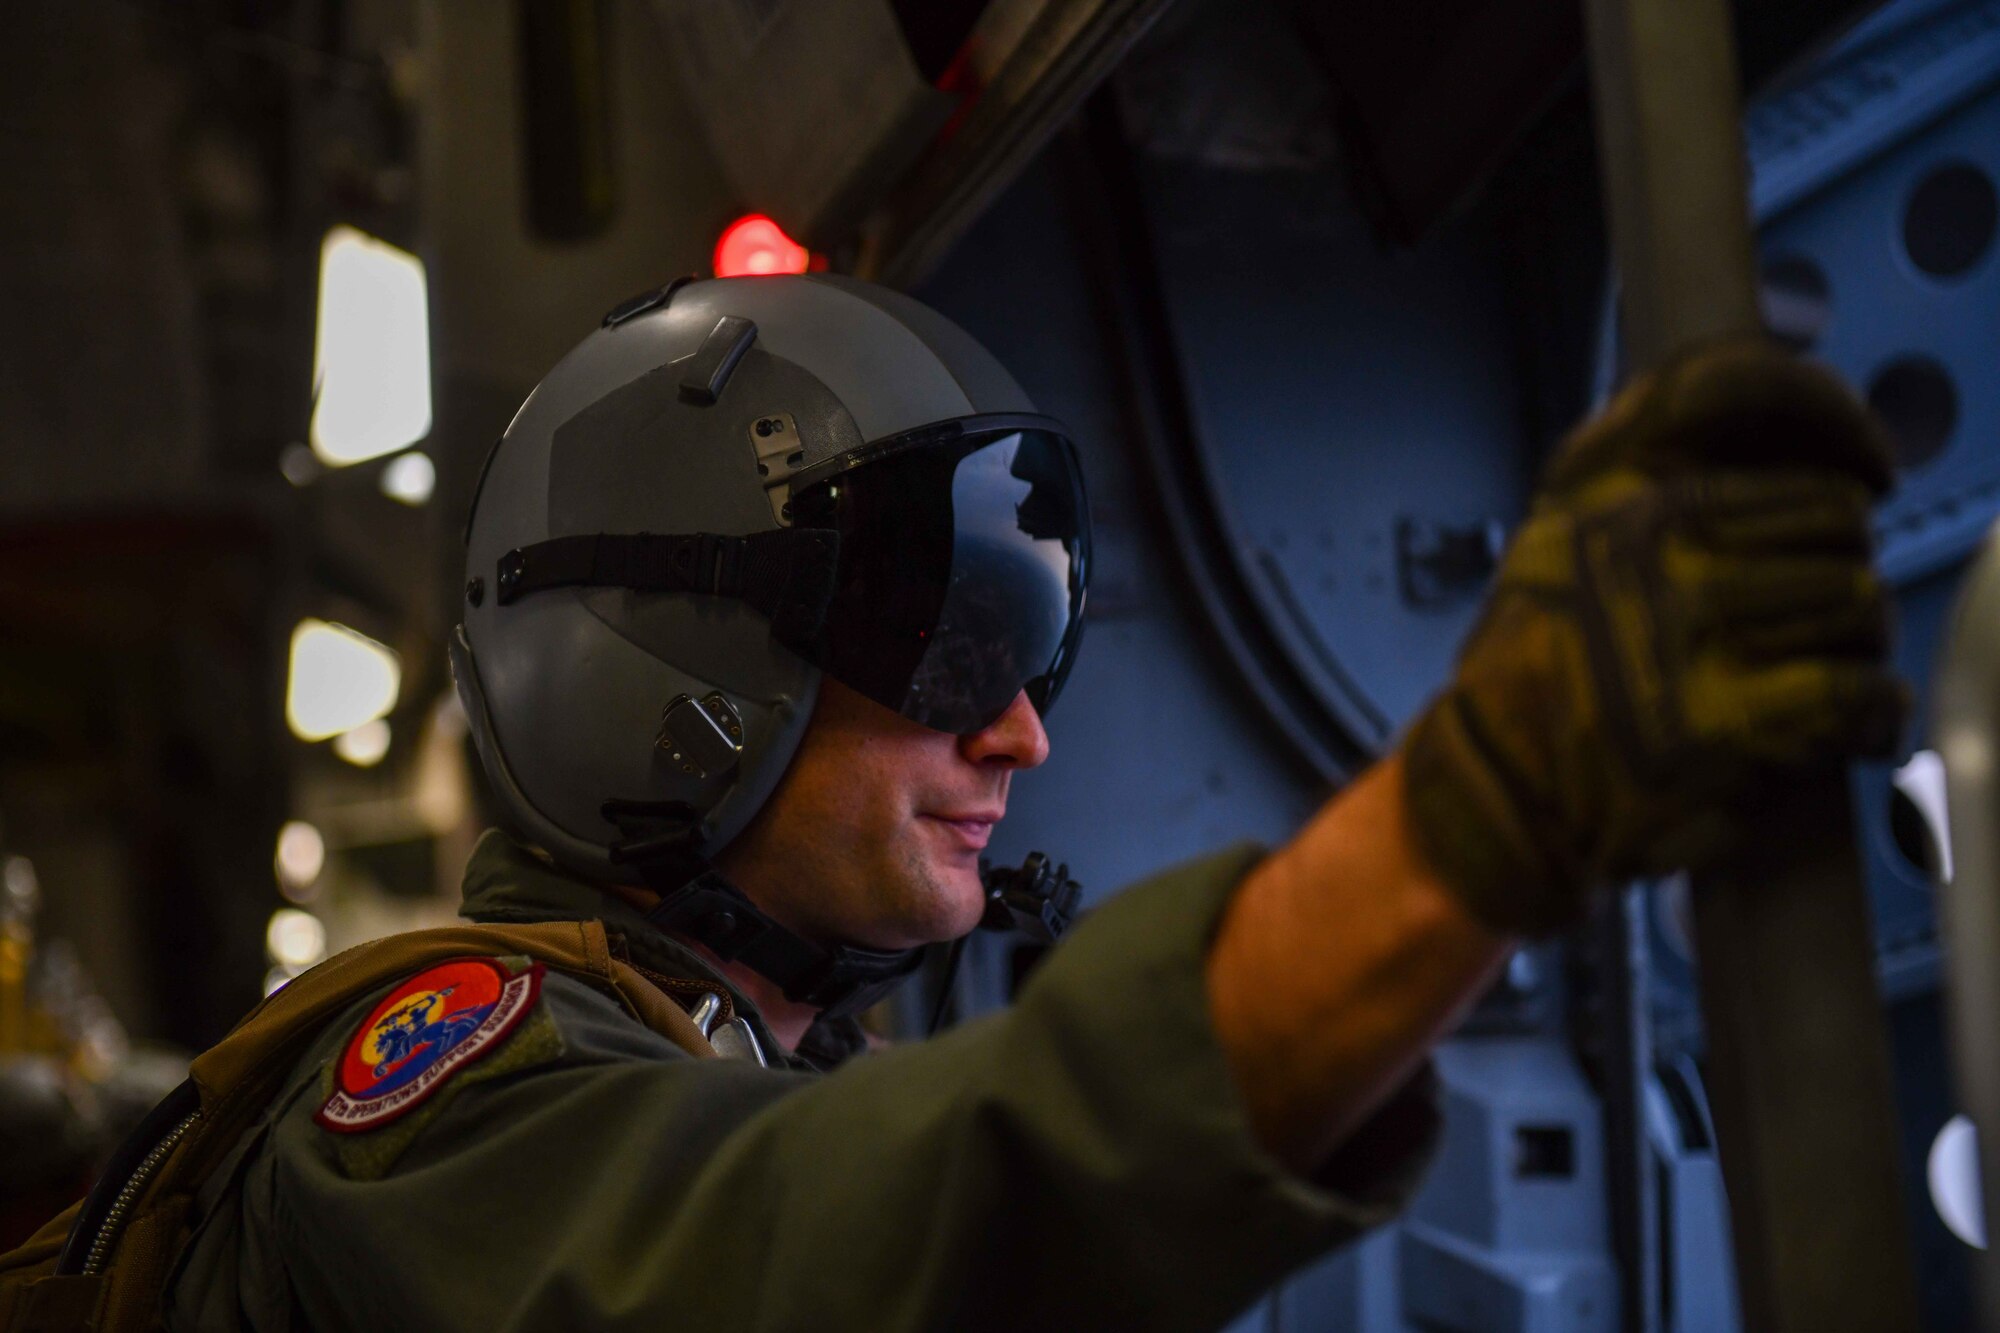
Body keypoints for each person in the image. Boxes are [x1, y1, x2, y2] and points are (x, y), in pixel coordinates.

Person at [73, 276, 1913, 1330]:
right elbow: (835, 1242)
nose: (1023, 733)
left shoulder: (754, 1061)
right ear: (673, 682)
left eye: (1037, 644)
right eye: (953, 646)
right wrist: (1483, 816)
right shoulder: (433, 1112)